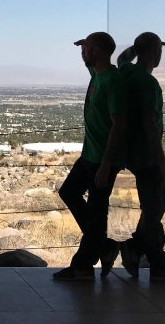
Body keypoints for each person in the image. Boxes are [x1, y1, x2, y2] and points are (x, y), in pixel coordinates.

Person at [117, 32, 165, 282]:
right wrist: (162, 164)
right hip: (145, 154)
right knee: (154, 205)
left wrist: (135, 48)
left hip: (130, 151)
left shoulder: (126, 71)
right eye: (158, 49)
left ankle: (137, 248)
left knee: (160, 199)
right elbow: (151, 127)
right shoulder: (149, 84)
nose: (160, 54)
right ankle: (156, 264)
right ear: (154, 52)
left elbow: (122, 57)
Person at [54, 32, 126, 282]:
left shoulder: (112, 81)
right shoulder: (97, 75)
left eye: (85, 50)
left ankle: (83, 265)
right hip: (90, 155)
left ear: (96, 51)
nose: (82, 54)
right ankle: (104, 246)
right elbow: (118, 56)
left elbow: (119, 124)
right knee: (69, 193)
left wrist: (107, 165)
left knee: (96, 211)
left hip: (103, 159)